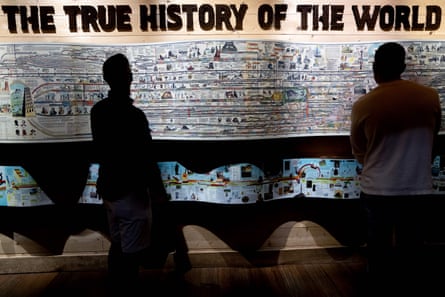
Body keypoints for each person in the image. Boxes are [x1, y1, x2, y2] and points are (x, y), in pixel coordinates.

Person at [350, 42, 442, 295]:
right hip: (417, 186)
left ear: (374, 69)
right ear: (403, 66)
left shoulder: (365, 104)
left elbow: (359, 150)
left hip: (377, 187)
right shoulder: (429, 97)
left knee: (377, 250)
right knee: (411, 250)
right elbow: (433, 139)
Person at [90, 53, 168, 294]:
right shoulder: (135, 117)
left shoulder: (98, 111)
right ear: (129, 77)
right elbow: (146, 158)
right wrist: (158, 193)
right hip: (132, 192)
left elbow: (102, 150)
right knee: (131, 256)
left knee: (118, 245)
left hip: (110, 189)